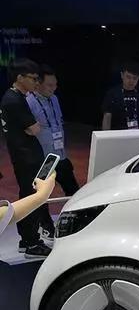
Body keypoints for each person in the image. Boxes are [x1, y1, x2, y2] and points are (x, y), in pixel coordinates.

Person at [0, 59, 52, 257]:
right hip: (25, 157)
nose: (36, 83)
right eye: (33, 78)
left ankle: (29, 239)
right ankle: (30, 242)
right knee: (31, 197)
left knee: (30, 196)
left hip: (26, 155)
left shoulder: (17, 97)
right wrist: (34, 126)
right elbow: (34, 128)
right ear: (20, 77)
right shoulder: (13, 100)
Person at [26, 65, 80, 195]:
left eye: (55, 85)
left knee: (74, 192)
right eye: (49, 85)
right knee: (40, 195)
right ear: (38, 84)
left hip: (60, 155)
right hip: (45, 159)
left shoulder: (54, 99)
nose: (53, 88)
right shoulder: (28, 101)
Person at [101, 61, 139, 130]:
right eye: (128, 77)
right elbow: (107, 117)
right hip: (119, 132)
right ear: (122, 75)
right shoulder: (112, 94)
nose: (131, 81)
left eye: (135, 78)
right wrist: (105, 134)